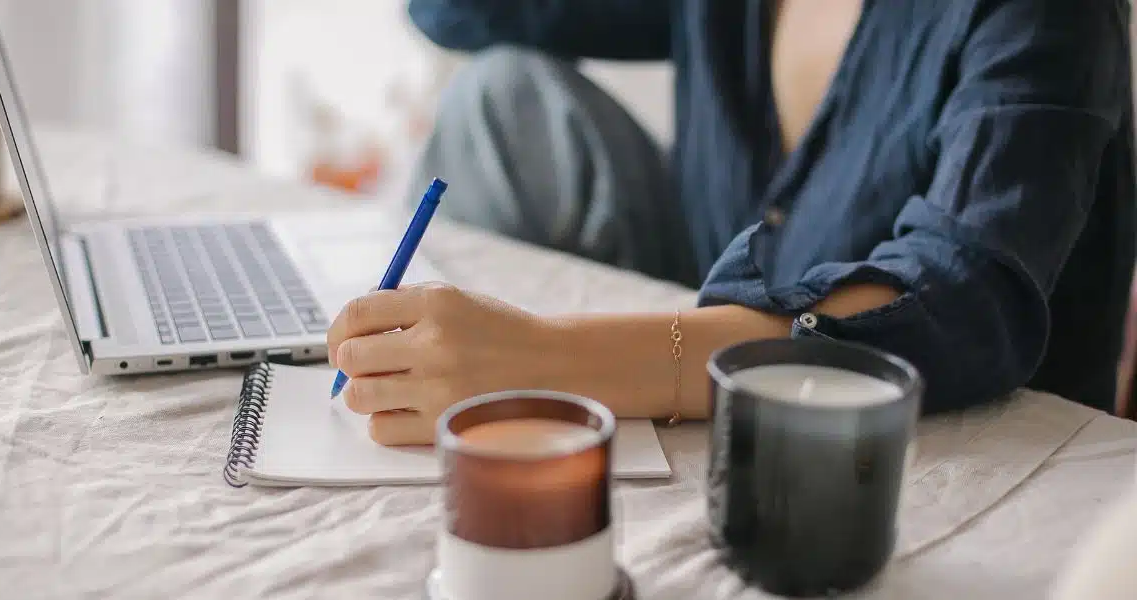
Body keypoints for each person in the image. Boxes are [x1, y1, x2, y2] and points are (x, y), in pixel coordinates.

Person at [326, 0, 1137, 445]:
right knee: (503, 101)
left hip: (930, 437)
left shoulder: (1046, 14)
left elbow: (960, 299)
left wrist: (552, 359)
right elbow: (455, 12)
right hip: (712, 308)